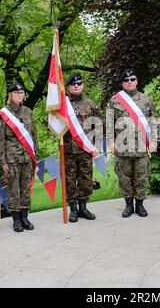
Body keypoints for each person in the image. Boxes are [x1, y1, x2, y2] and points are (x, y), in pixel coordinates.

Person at [107, 69, 158, 218]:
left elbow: (154, 122)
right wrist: (110, 141)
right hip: (122, 146)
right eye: (126, 80)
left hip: (142, 146)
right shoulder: (114, 100)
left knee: (142, 176)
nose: (129, 82)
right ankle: (128, 205)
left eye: (132, 79)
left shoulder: (146, 100)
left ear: (137, 81)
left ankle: (140, 205)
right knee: (124, 178)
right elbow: (109, 123)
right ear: (122, 83)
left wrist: (154, 141)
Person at [0, 83, 38, 232]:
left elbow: (34, 135)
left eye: (22, 92)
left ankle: (25, 217)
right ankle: (16, 220)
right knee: (14, 189)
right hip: (11, 159)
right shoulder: (3, 115)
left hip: (27, 158)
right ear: (10, 95)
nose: (20, 95)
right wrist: (3, 162)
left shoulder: (28, 112)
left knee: (26, 188)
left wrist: (35, 156)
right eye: (17, 92)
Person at [63, 73, 100, 223]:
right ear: (68, 87)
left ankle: (83, 208)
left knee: (85, 179)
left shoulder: (90, 104)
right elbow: (51, 125)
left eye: (79, 83)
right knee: (70, 180)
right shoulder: (61, 105)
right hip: (68, 149)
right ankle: (73, 209)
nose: (76, 85)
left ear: (82, 86)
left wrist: (96, 147)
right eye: (73, 84)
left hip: (85, 149)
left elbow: (98, 126)